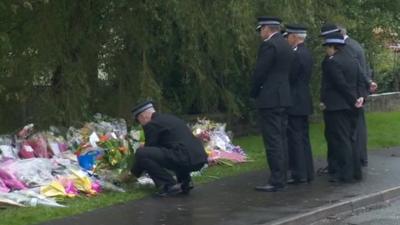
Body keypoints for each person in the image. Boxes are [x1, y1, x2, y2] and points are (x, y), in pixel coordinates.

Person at [251, 17, 294, 192]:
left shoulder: (269, 45)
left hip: (270, 98)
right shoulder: (285, 45)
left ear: (267, 29)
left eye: (261, 30)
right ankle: (283, 175)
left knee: (273, 140)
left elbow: (260, 72)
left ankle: (276, 179)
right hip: (283, 97)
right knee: (282, 138)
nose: (260, 33)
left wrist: (254, 92)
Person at [130, 101, 208, 197]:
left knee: (142, 153)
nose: (140, 124)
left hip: (184, 157)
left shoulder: (152, 124)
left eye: (138, 120)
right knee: (173, 151)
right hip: (199, 157)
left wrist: (133, 173)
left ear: (143, 116)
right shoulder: (170, 118)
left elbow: (147, 151)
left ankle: (169, 185)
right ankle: (185, 182)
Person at [320, 33, 364, 182]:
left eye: (327, 47)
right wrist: (357, 99)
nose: (326, 50)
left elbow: (340, 84)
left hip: (337, 106)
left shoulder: (333, 62)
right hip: (351, 106)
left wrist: (352, 99)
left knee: (341, 140)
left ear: (334, 47)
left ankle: (344, 173)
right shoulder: (352, 60)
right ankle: (356, 171)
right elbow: (359, 80)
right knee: (350, 139)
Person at [285, 24, 314, 184]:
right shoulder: (306, 53)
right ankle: (307, 171)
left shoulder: (296, 55)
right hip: (304, 100)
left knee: (295, 138)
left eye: (288, 36)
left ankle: (299, 172)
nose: (287, 39)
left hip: (295, 100)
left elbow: (291, 77)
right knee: (303, 137)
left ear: (295, 37)